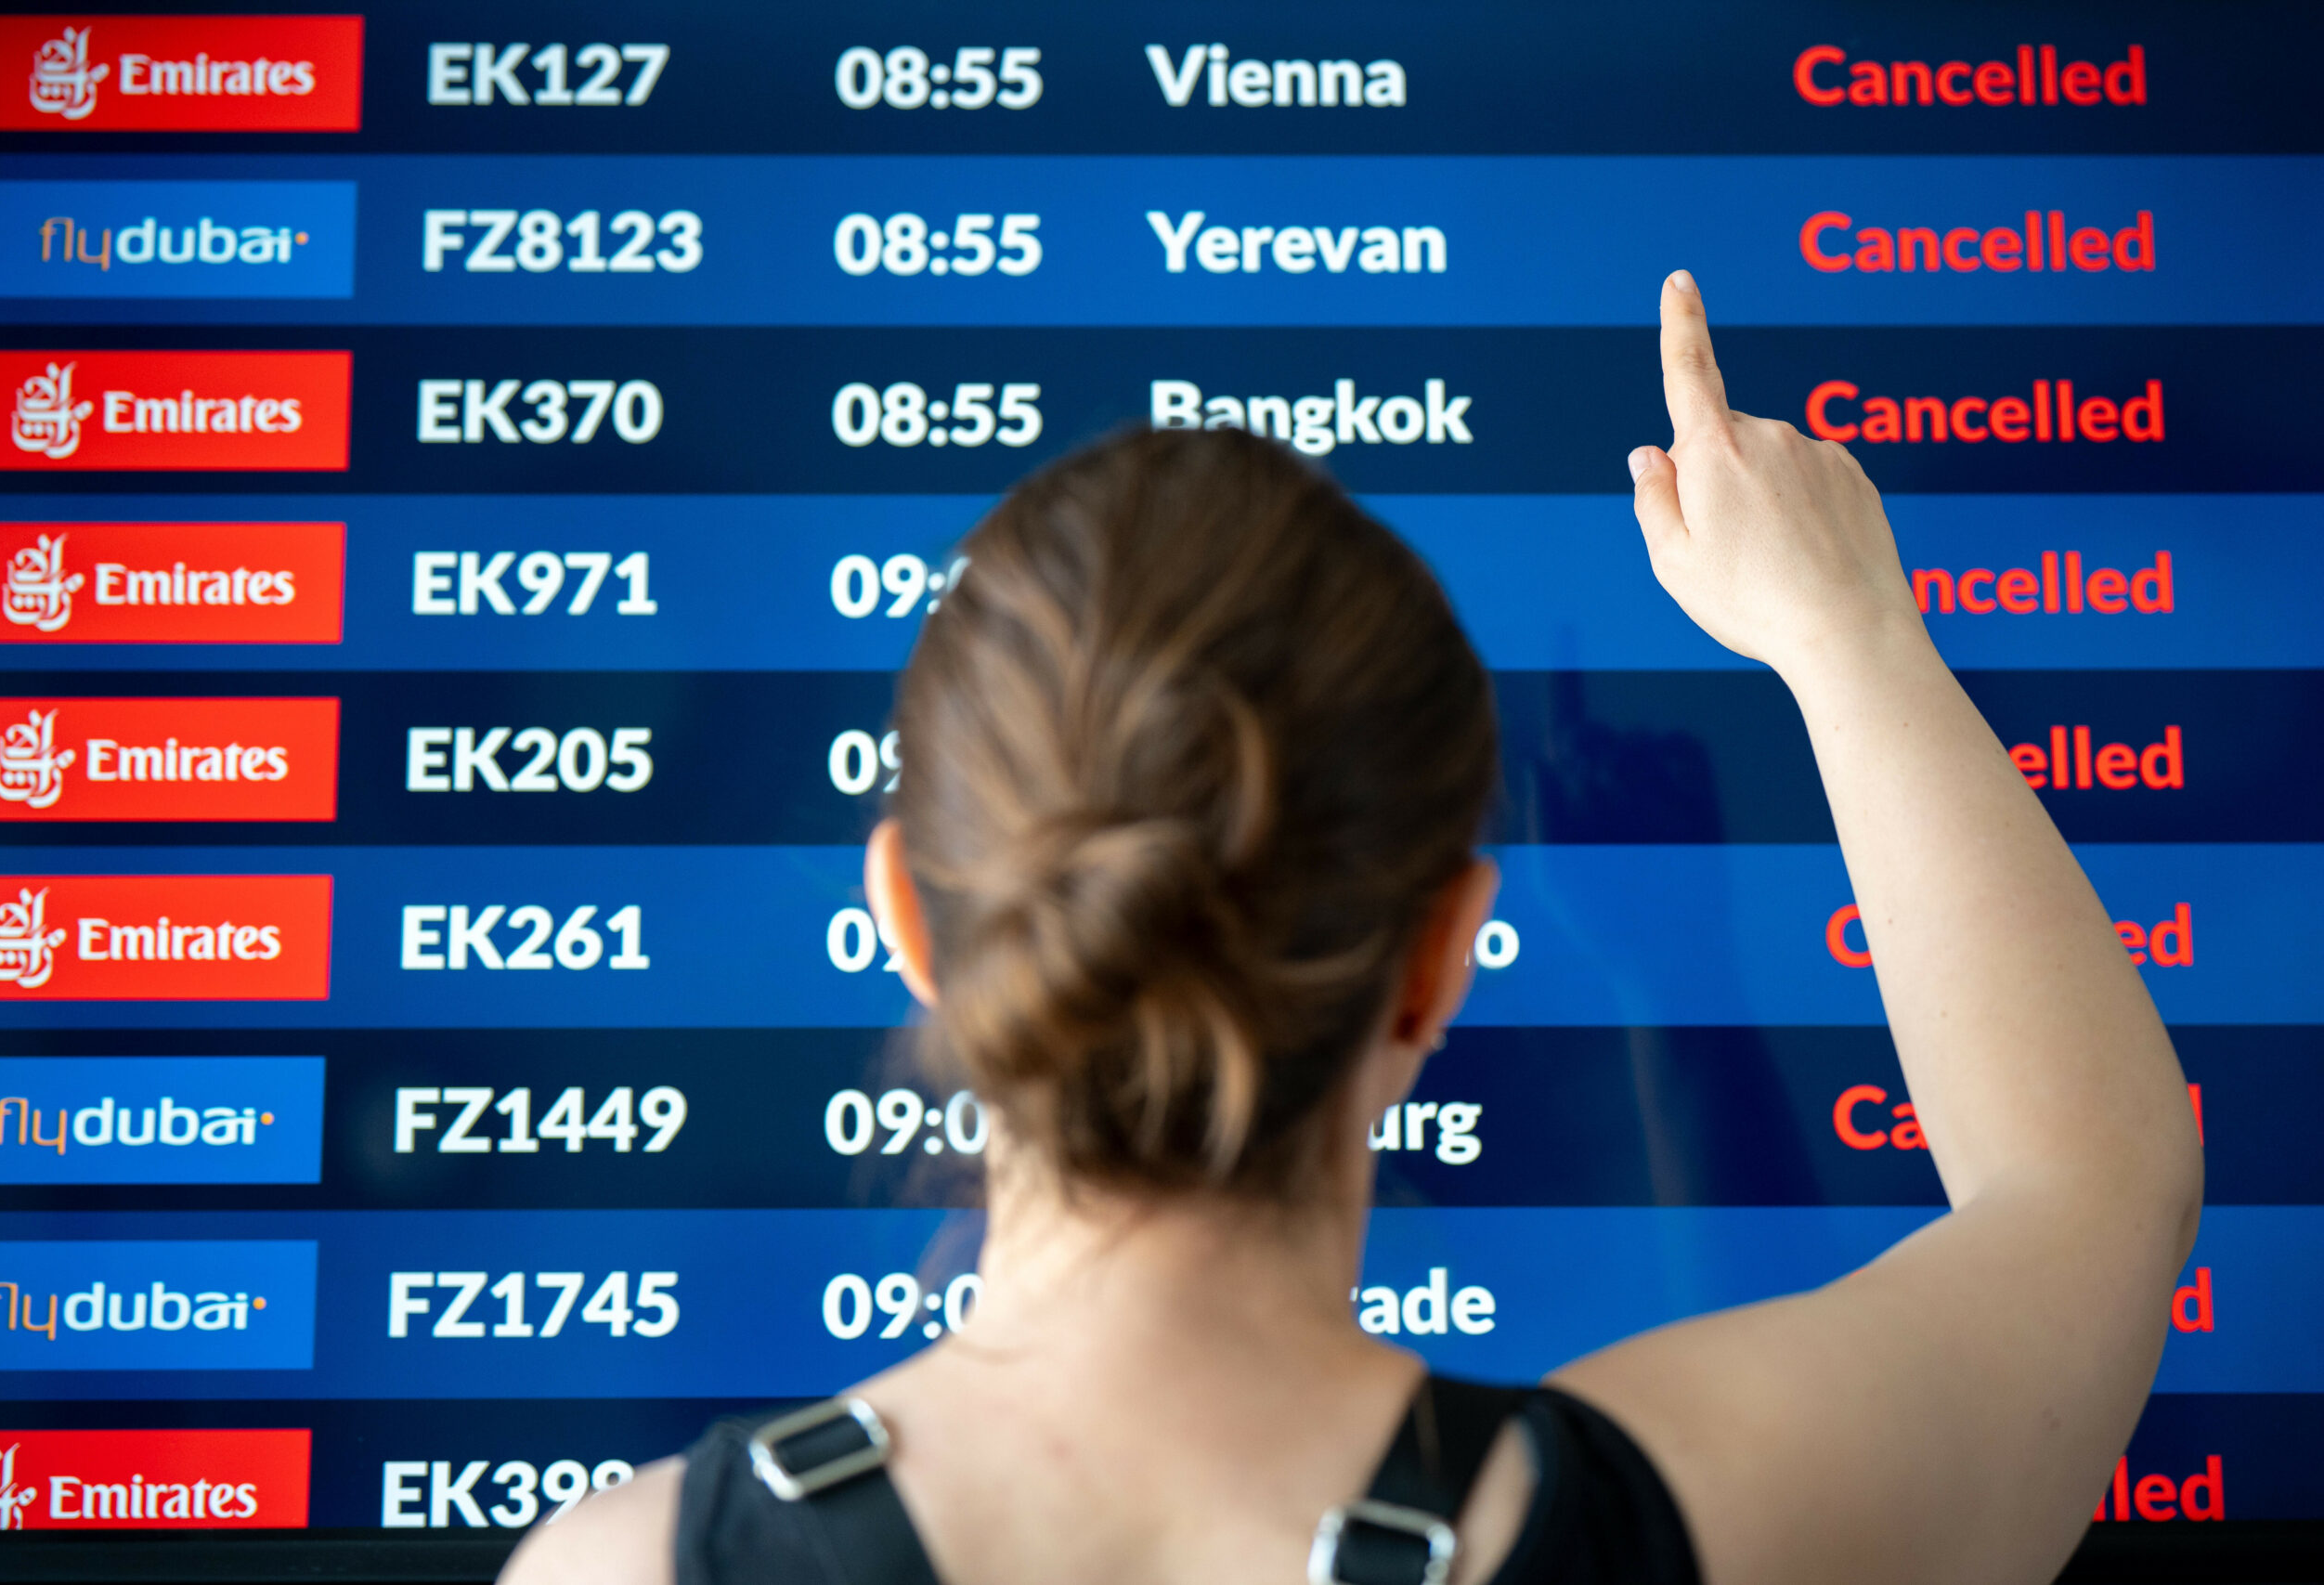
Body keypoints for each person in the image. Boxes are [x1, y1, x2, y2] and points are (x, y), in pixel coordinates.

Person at [501, 273, 2202, 1585]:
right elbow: (2094, 1191)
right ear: (1442, 956)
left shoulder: (618, 1565)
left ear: (910, 923)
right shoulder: (1674, 1520)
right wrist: (1847, 632)